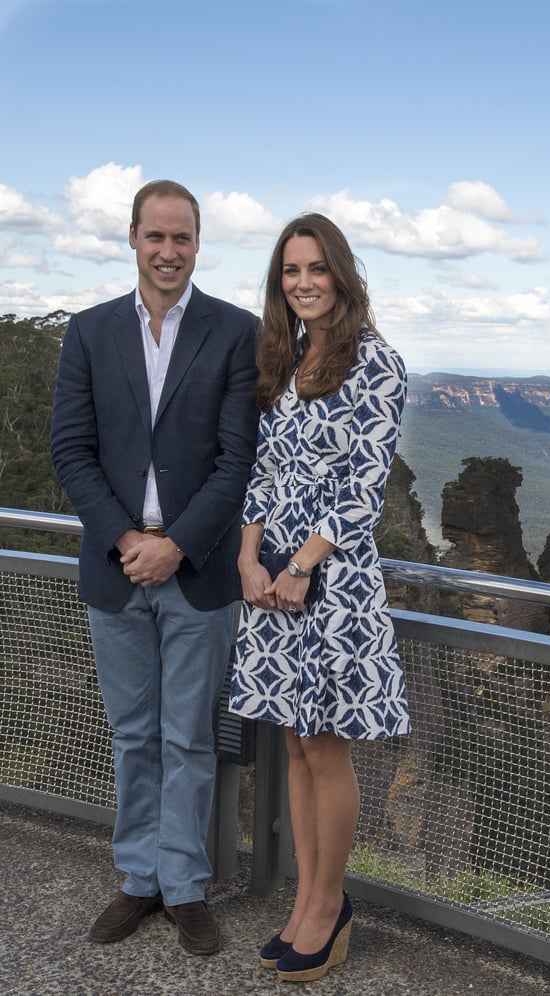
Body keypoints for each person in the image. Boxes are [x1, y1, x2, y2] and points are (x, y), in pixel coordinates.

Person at [50, 179, 259, 955]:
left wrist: (176, 543)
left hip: (197, 569)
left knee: (190, 738)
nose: (168, 252)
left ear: (199, 244)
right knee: (134, 735)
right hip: (116, 567)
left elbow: (239, 460)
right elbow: (70, 450)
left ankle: (186, 886)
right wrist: (124, 540)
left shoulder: (234, 332)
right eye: (155, 237)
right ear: (132, 239)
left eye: (182, 238)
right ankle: (138, 880)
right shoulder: (90, 332)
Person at [229, 213, 410, 983]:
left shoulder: (377, 362)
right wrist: (247, 555)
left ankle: (328, 907)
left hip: (331, 583)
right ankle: (305, 902)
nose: (303, 282)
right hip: (270, 578)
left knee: (327, 748)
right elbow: (266, 471)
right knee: (295, 743)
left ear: (341, 273)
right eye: (290, 271)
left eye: (316, 268)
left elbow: (364, 488)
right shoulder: (290, 357)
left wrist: (302, 564)